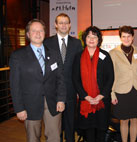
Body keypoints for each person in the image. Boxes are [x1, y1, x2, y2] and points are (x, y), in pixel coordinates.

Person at [9, 19, 66, 142]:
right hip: (30, 105)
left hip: (53, 103)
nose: (38, 33)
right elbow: (15, 85)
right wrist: (19, 108)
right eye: (34, 31)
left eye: (40, 30)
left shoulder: (55, 54)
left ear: (44, 33)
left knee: (55, 137)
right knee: (33, 138)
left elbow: (60, 79)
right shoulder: (18, 56)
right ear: (28, 34)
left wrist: (61, 99)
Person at [44, 13, 82, 142]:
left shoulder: (77, 43)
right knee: (55, 125)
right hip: (53, 91)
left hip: (71, 90)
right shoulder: (47, 42)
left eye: (66, 22)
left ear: (70, 25)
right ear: (56, 25)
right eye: (61, 22)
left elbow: (79, 68)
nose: (64, 25)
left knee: (70, 123)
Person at [72, 26, 114, 142]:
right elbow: (75, 79)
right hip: (86, 100)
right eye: (89, 36)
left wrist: (101, 95)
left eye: (94, 37)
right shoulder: (78, 56)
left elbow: (110, 77)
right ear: (84, 39)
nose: (91, 39)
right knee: (88, 132)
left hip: (101, 101)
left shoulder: (105, 56)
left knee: (101, 131)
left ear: (98, 40)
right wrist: (85, 96)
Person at [109, 26, 137, 142]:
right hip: (121, 90)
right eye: (124, 36)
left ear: (133, 37)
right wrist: (112, 93)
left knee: (135, 120)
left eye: (129, 36)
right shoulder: (113, 53)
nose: (126, 39)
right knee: (124, 120)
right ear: (120, 37)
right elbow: (112, 75)